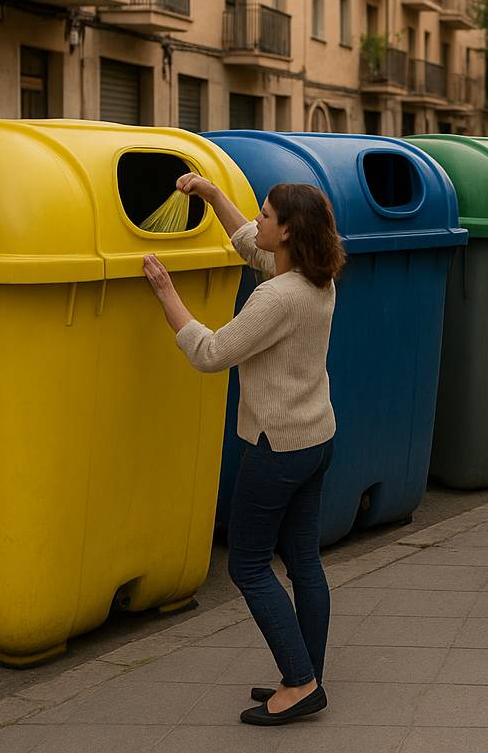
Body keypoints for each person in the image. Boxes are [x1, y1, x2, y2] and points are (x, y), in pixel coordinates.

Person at [143, 175, 343, 723]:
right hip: (316, 438)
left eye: (266, 215)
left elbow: (210, 353)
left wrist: (166, 295)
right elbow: (250, 246)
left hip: (277, 447)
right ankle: (307, 674)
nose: (257, 220)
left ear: (287, 232)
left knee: (249, 564)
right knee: (303, 560)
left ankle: (300, 683)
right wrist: (211, 197)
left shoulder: (275, 296)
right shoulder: (317, 279)